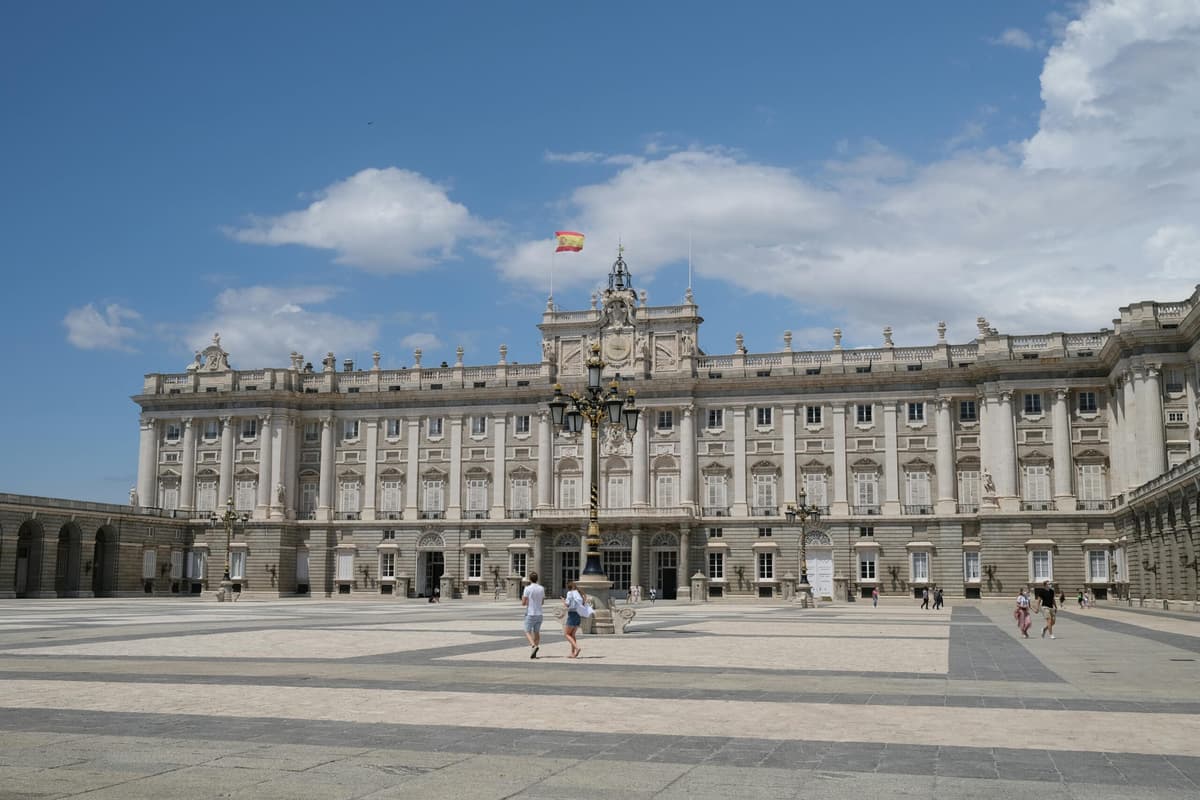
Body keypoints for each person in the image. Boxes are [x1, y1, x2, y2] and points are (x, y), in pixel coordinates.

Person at [521, 571, 545, 659]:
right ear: (537, 579)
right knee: (536, 632)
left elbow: (523, 603)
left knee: (527, 631)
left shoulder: (527, 588)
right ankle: (534, 652)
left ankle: (533, 645)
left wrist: (525, 601)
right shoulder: (541, 588)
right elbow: (542, 602)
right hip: (539, 614)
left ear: (530, 579)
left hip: (530, 613)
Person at [563, 580, 587, 659]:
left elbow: (567, 604)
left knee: (566, 634)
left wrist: (563, 601)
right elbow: (583, 602)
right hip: (578, 614)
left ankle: (577, 647)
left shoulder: (570, 593)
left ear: (568, 587)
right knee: (572, 634)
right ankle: (572, 653)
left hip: (572, 614)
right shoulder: (578, 593)